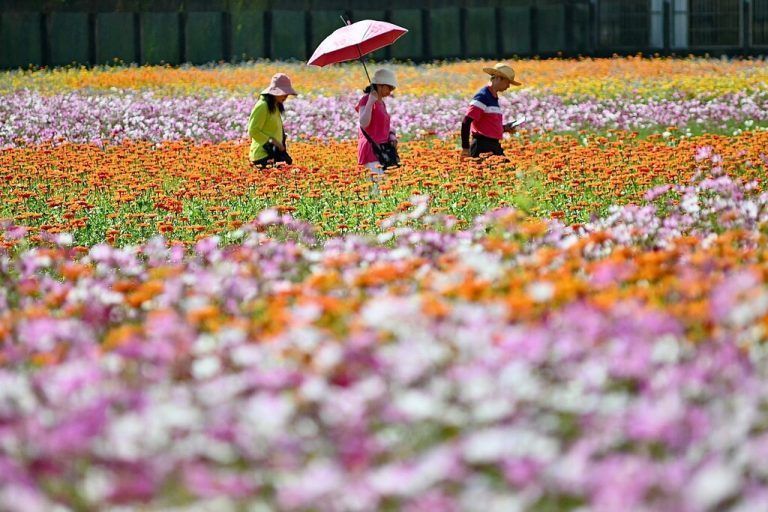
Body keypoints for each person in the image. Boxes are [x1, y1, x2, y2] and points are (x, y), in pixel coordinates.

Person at [460, 63, 522, 159]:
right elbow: (466, 121)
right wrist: (465, 148)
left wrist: (505, 128)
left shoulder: (493, 97)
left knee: (506, 170)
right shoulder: (483, 96)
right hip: (481, 146)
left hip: (493, 144)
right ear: (498, 78)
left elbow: (488, 124)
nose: (508, 86)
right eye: (507, 82)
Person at [356, 68, 398, 189]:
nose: (390, 91)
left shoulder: (382, 102)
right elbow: (364, 123)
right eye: (388, 87)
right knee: (376, 189)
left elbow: (384, 125)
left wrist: (391, 135)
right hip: (372, 150)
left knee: (384, 187)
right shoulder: (366, 100)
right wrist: (370, 102)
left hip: (383, 150)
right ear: (379, 85)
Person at [248, 73, 297, 168]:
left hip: (273, 153)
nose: (286, 96)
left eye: (287, 93)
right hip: (263, 155)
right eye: (284, 92)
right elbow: (253, 130)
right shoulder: (263, 105)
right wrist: (273, 141)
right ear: (275, 92)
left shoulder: (275, 105)